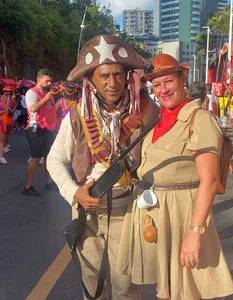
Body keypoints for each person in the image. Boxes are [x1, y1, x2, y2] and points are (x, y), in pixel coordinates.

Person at [116, 54, 233, 300]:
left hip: (182, 214)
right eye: (157, 85)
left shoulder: (199, 119)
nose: (163, 90)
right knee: (167, 288)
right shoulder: (160, 120)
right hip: (158, 213)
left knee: (185, 289)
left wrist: (194, 232)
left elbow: (210, 181)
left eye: (168, 81)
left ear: (182, 80)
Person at [47, 35, 159, 299]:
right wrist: (74, 192)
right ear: (92, 80)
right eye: (105, 75)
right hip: (87, 212)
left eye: (118, 74)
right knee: (92, 282)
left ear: (127, 76)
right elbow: (54, 160)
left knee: (127, 285)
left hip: (128, 211)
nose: (112, 83)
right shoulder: (76, 115)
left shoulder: (148, 111)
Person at [22, 68, 57, 196]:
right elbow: (33, 108)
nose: (49, 84)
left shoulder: (48, 94)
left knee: (49, 157)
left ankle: (49, 182)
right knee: (36, 158)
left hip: (47, 129)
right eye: (46, 81)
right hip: (35, 128)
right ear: (39, 80)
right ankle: (28, 186)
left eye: (50, 81)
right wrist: (46, 98)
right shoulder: (32, 92)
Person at [2, 86, 17, 153]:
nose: (8, 92)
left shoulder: (11, 98)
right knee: (4, 133)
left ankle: (5, 145)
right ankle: (3, 146)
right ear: (3, 91)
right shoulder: (1, 98)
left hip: (9, 116)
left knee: (8, 132)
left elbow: (15, 105)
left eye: (9, 91)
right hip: (3, 116)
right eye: (6, 91)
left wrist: (12, 110)